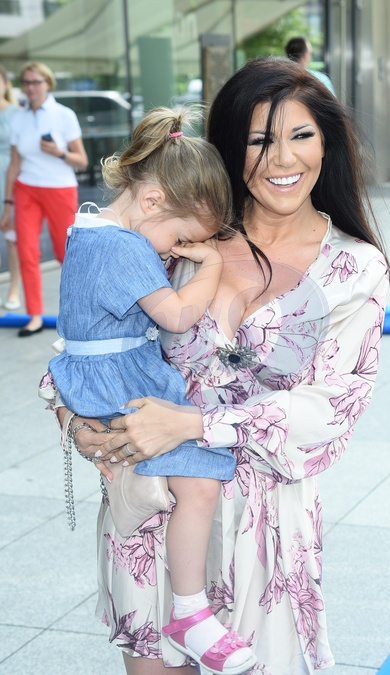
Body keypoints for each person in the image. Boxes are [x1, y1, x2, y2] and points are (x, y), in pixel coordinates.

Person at [43, 57, 389, 674]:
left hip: (264, 527)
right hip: (154, 504)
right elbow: (88, 337)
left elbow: (334, 407)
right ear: (231, 147)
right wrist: (75, 420)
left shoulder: (354, 268)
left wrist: (194, 425)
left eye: (301, 135)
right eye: (259, 140)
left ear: (327, 143)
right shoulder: (175, 241)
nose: (282, 159)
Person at [48, 105, 255, 675]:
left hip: (97, 377)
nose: (174, 253)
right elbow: (179, 316)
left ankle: (186, 612)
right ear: (153, 201)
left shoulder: (87, 230)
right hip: (124, 383)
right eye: (181, 239)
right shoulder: (125, 247)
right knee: (201, 482)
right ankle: (190, 612)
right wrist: (210, 264)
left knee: (185, 485)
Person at [0, 61, 88, 336]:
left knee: (65, 254)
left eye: (36, 82)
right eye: (26, 82)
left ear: (48, 84)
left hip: (59, 188)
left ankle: (80, 313)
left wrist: (58, 152)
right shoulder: (18, 118)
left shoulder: (64, 115)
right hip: (26, 188)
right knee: (26, 252)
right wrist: (7, 205)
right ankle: (35, 315)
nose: (31, 87)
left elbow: (82, 160)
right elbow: (14, 164)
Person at [0, 65, 21, 311]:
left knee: (11, 237)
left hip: (10, 179)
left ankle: (14, 288)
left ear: (6, 84)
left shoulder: (17, 113)